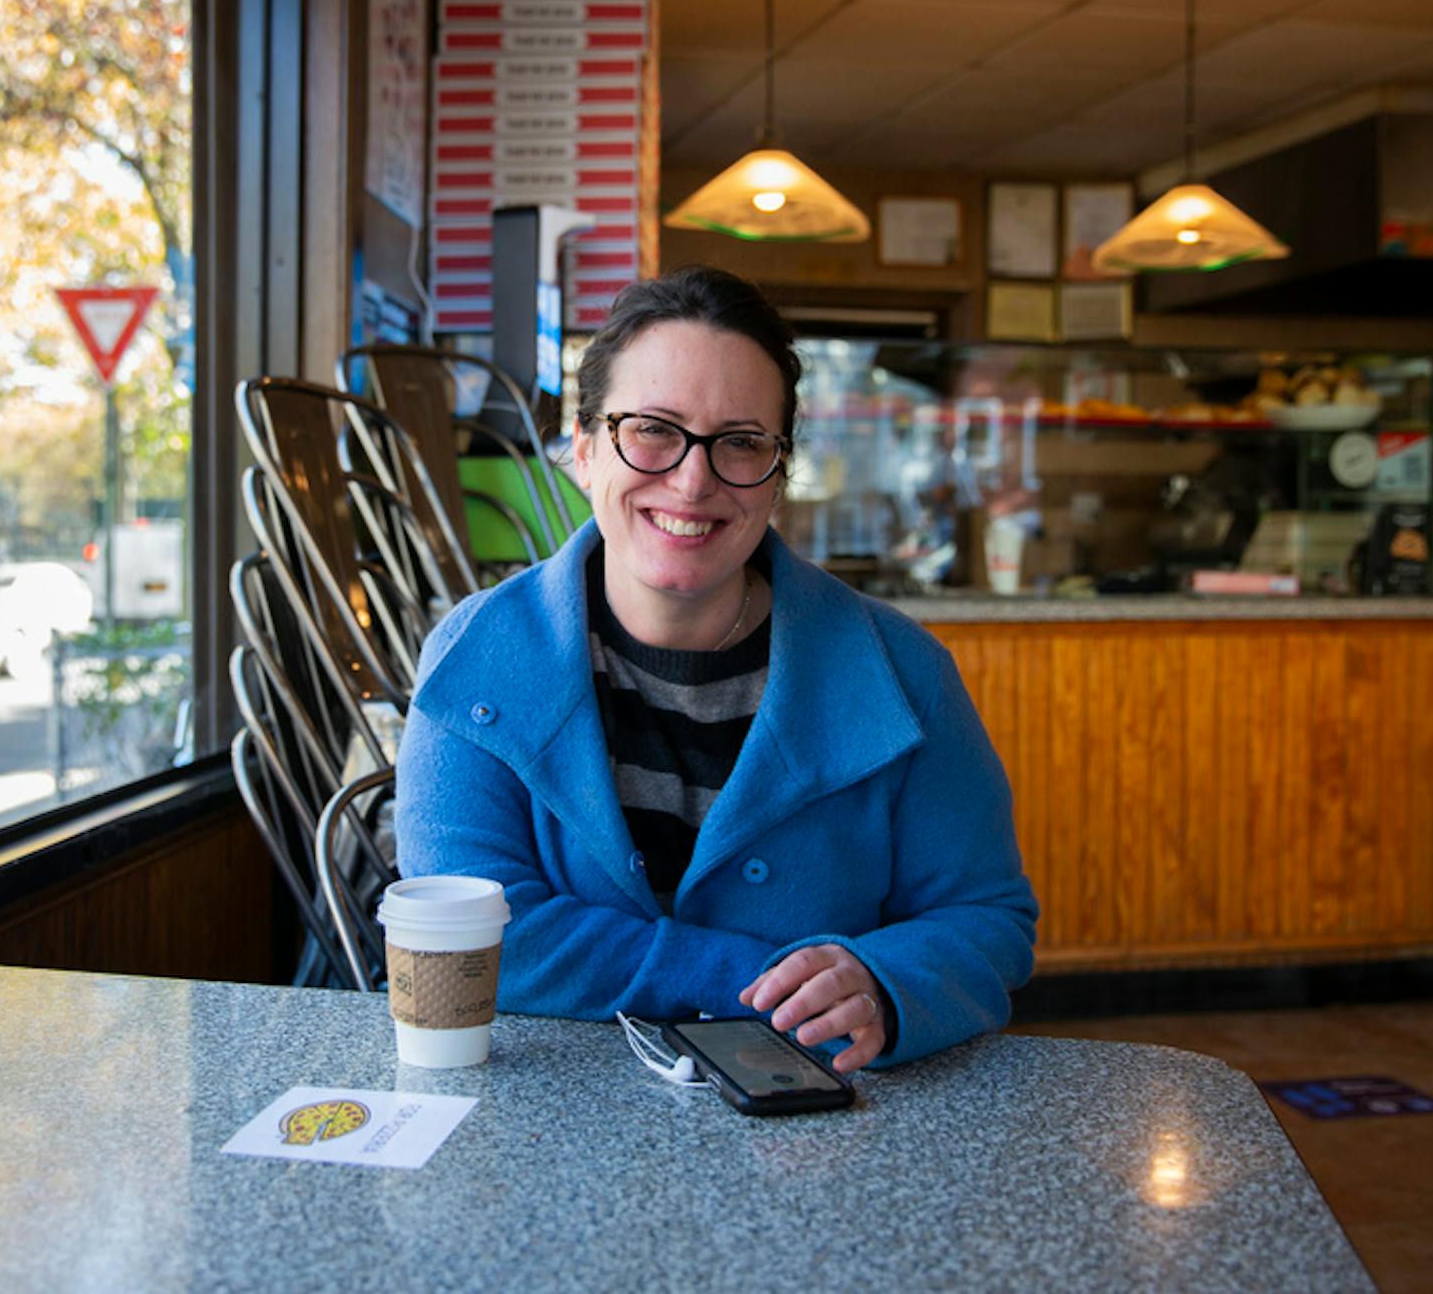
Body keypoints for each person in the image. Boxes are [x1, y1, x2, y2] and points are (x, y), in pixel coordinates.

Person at [395, 265, 1036, 1071]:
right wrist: (748, 975)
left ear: (778, 476)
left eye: (740, 442)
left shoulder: (905, 674)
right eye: (653, 429)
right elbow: (477, 932)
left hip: (825, 1137)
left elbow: (986, 917)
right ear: (585, 450)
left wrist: (885, 981)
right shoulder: (475, 659)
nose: (693, 480)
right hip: (546, 1129)